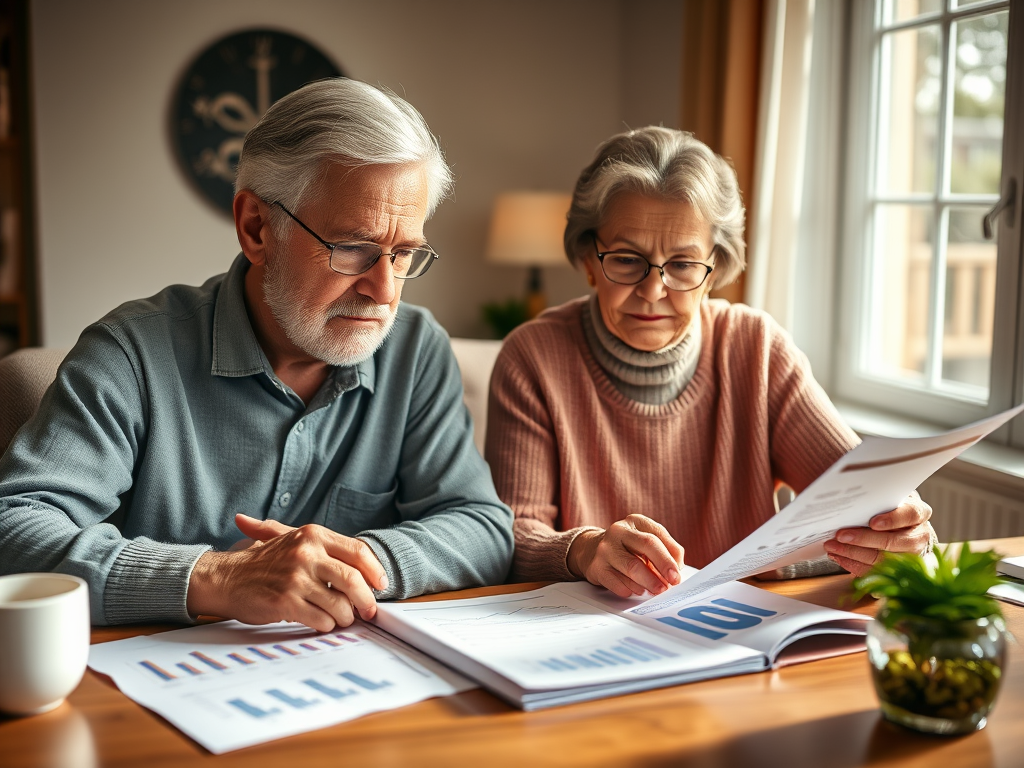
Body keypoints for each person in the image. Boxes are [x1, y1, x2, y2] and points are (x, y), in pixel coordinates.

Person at [0, 78, 513, 629]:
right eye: (352, 249)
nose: (385, 291)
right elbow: (14, 530)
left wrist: (354, 566)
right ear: (256, 228)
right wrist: (216, 577)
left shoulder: (416, 348)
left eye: (404, 252)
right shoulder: (131, 354)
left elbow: (480, 525)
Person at [485, 126, 934, 598]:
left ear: (713, 271)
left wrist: (899, 533)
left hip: (743, 631)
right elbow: (509, 539)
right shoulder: (533, 356)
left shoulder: (757, 349)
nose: (653, 290)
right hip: (593, 631)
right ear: (589, 260)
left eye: (681, 265)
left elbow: (861, 497)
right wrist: (587, 550)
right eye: (625, 259)